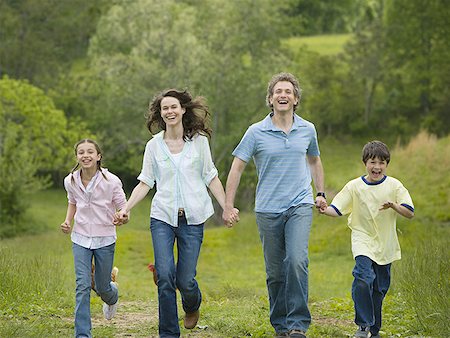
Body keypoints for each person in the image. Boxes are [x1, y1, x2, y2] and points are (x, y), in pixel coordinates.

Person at [115, 88, 239, 338]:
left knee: (185, 280)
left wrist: (226, 207)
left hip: (193, 218)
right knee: (164, 275)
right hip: (162, 217)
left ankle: (192, 305)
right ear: (160, 114)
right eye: (165, 108)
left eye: (173, 107)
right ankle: (169, 333)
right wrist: (125, 208)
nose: (169, 111)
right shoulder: (153, 146)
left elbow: (211, 176)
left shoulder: (200, 143)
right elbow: (145, 182)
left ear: (183, 110)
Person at [222, 72, 326, 338]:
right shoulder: (256, 132)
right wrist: (228, 205)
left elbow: (314, 160)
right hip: (268, 208)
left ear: (296, 99)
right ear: (270, 99)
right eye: (278, 91)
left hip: (299, 205)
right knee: (276, 272)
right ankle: (281, 325)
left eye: (288, 91)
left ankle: (298, 324)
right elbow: (237, 167)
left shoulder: (308, 129)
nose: (283, 95)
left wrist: (321, 192)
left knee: (297, 260)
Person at [319, 140, 414, 338]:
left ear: (386, 164)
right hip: (362, 240)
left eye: (381, 163)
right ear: (365, 163)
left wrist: (394, 206)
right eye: (372, 162)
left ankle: (374, 329)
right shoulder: (354, 186)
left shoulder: (394, 185)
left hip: (385, 245)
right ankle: (363, 326)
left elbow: (409, 212)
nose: (376, 167)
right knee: (363, 278)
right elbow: (337, 209)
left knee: (379, 289)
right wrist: (323, 209)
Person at [60, 139, 127, 338]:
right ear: (77, 157)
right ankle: (82, 334)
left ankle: (112, 296)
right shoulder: (70, 180)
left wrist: (122, 217)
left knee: (102, 287)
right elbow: (72, 202)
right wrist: (67, 221)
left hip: (105, 238)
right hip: (80, 237)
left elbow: (123, 207)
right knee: (82, 285)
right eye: (81, 152)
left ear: (98, 156)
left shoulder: (111, 181)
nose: (85, 155)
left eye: (90, 152)